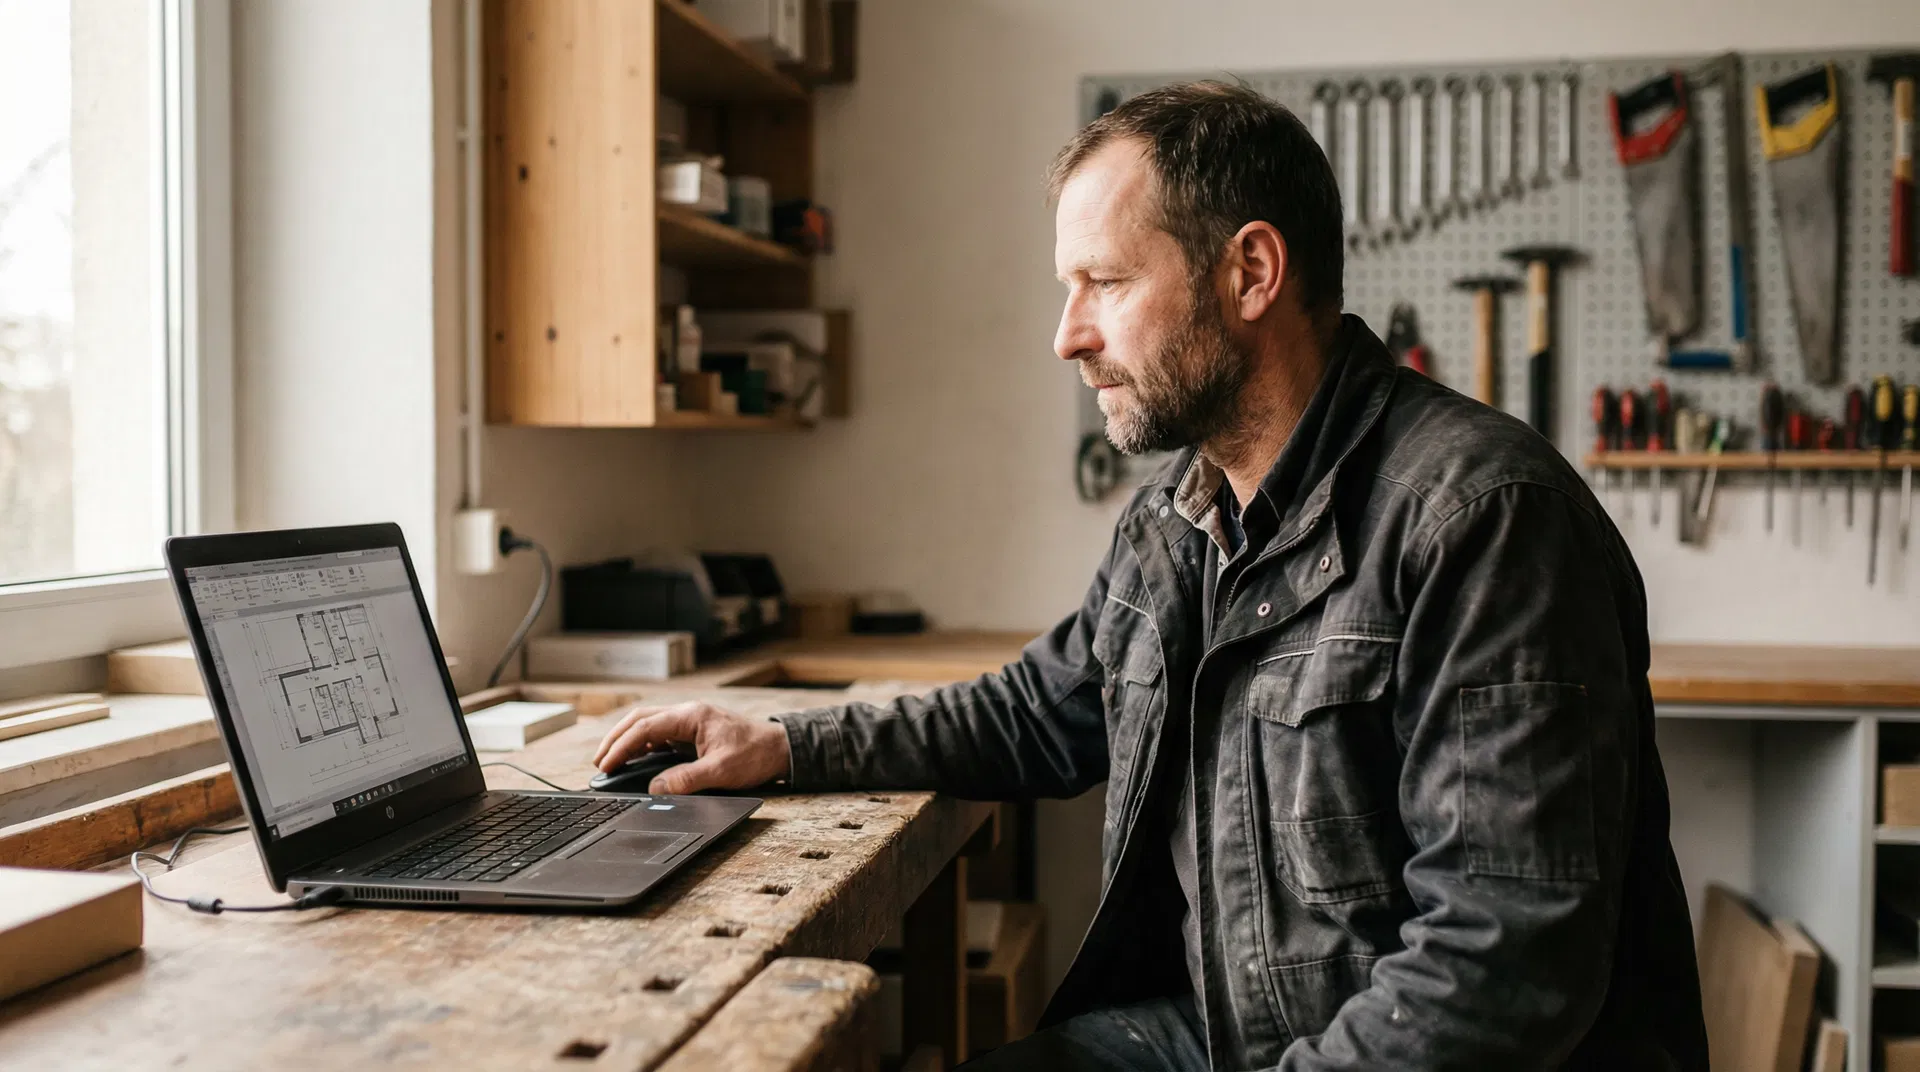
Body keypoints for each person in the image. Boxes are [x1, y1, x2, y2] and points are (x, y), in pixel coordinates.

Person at [592, 81, 1708, 1071]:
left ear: (1252, 272)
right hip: (1234, 1029)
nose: (1066, 335)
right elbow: (1040, 710)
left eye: (1104, 282)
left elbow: (1503, 965)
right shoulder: (1183, 520)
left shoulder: (1482, 518)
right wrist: (786, 744)